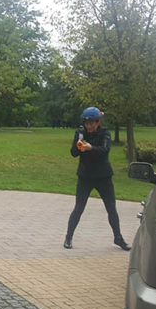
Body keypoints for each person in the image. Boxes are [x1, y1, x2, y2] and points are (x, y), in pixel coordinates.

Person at [63, 107, 130, 251]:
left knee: (111, 208)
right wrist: (79, 143)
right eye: (87, 123)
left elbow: (105, 150)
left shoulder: (105, 133)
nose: (89, 126)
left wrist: (91, 148)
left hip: (103, 176)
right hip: (85, 176)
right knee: (79, 208)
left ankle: (118, 238)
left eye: (92, 123)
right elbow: (73, 153)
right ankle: (68, 237)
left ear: (98, 122)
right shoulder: (80, 133)